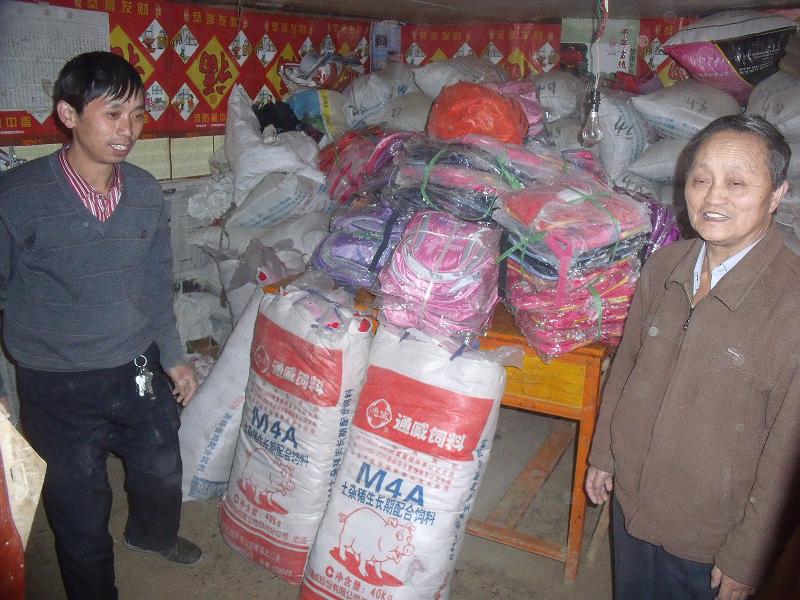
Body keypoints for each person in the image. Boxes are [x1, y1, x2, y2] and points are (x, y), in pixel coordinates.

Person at [0, 51, 201, 600]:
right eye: (112, 114)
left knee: (161, 464)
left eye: (137, 115)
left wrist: (173, 354)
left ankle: (152, 536)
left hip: (135, 363)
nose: (127, 130)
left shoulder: (144, 193)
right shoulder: (17, 198)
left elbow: (155, 281)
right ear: (68, 114)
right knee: (79, 502)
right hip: (55, 379)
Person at [585, 113, 800, 600]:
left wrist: (750, 553)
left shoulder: (791, 303)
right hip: (633, 500)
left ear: (776, 195)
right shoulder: (664, 266)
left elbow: (790, 453)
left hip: (710, 536)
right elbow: (627, 368)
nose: (713, 197)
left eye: (737, 183)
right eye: (701, 180)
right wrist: (606, 454)